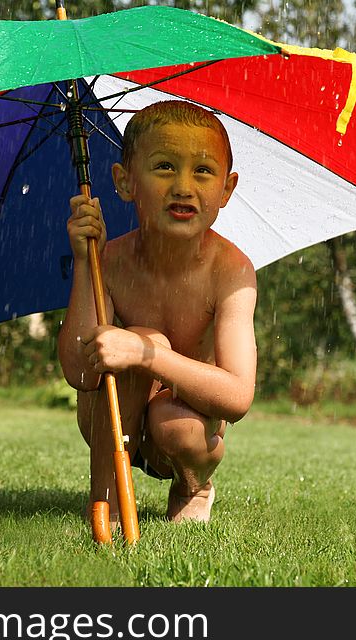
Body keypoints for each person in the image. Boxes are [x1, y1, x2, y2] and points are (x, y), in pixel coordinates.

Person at [58, 100, 257, 529]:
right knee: (137, 339)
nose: (184, 186)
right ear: (124, 181)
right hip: (111, 423)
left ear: (227, 188)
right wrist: (82, 263)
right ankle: (107, 500)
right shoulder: (108, 263)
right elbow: (79, 372)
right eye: (164, 167)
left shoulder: (231, 271)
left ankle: (193, 485)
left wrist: (149, 354)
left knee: (170, 408)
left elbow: (238, 398)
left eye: (203, 171)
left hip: (184, 424)